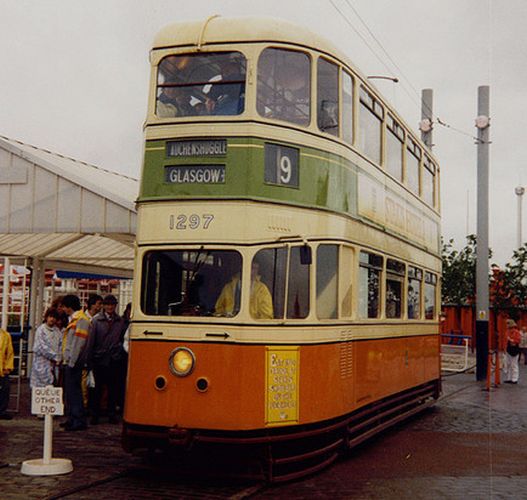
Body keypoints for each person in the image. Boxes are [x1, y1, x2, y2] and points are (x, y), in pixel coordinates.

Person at [85, 294, 126, 424]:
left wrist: (118, 351)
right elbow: (91, 341)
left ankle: (111, 413)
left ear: (115, 306)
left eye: (112, 305)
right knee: (97, 389)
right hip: (99, 358)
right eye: (107, 304)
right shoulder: (97, 321)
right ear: (103, 306)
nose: (109, 307)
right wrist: (89, 358)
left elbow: (122, 339)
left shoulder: (120, 321)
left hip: (114, 359)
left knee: (113, 388)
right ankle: (95, 414)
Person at [61, 294, 90, 431]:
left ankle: (78, 419)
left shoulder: (81, 320)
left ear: (69, 306)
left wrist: (71, 361)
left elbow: (79, 343)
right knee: (71, 391)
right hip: (71, 360)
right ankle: (72, 418)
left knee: (74, 391)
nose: (63, 309)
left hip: (74, 361)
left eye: (64, 306)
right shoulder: (76, 319)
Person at [30, 308, 61, 388]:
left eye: (54, 317)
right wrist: (55, 356)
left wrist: (59, 357)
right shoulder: (41, 330)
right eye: (50, 316)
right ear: (46, 317)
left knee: (52, 387)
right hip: (42, 363)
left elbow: (60, 346)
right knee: (39, 389)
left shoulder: (58, 332)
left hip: (54, 365)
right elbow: (41, 347)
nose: (52, 319)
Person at [0, 328, 14, 420]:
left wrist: (8, 368)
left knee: (5, 389)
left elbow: (10, 353)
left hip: (2, 368)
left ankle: (2, 411)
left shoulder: (6, 335)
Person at [504, 319, 521, 384]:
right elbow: (505, 341)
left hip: (514, 350)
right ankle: (509, 378)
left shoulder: (516, 332)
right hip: (508, 349)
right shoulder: (507, 332)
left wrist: (511, 340)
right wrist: (505, 349)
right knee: (508, 364)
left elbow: (518, 341)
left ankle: (514, 379)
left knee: (514, 364)